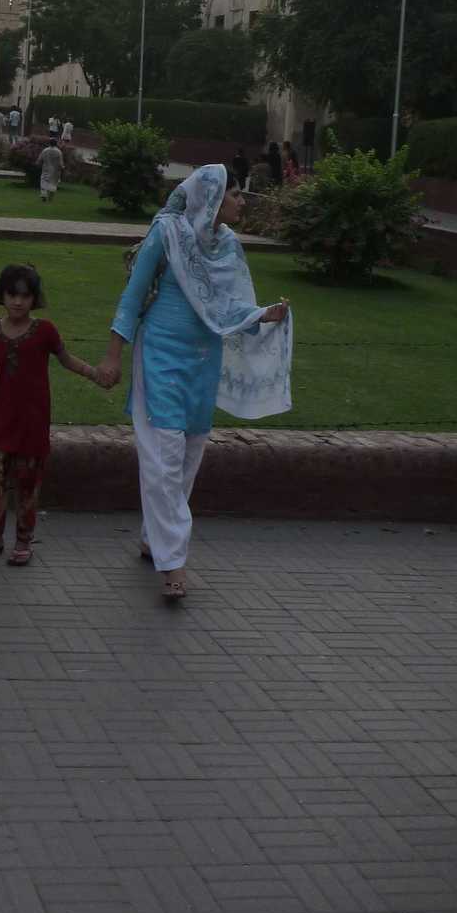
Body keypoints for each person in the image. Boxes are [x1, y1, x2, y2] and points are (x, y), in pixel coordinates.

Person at [96, 165, 292, 604]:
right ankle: (174, 562)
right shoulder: (166, 234)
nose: (243, 202)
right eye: (236, 195)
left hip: (204, 362)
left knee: (188, 456)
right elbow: (131, 300)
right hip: (161, 357)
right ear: (212, 199)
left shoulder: (229, 246)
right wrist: (113, 355)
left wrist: (264, 315)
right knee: (164, 456)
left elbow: (232, 306)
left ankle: (154, 538)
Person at [0, 263, 99, 566]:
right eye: (12, 295)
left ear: (34, 299)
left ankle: (23, 541)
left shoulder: (44, 331)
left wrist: (94, 373)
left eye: (25, 296)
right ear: (1, 296)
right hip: (2, 417)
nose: (18, 302)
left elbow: (66, 359)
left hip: (32, 419)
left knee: (28, 482)